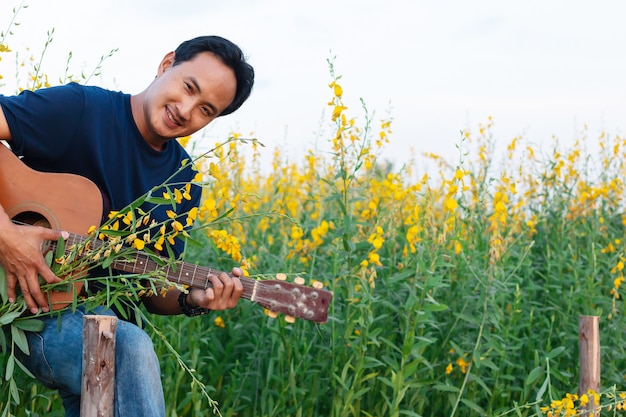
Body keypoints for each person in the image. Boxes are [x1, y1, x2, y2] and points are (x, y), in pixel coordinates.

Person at [0, 35, 255, 416]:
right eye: (188, 87)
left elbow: (150, 290)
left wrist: (191, 299)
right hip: (21, 308)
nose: (186, 110)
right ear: (167, 64)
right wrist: (7, 236)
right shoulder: (83, 110)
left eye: (205, 109)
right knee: (127, 346)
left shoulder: (182, 183)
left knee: (116, 341)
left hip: (84, 320)